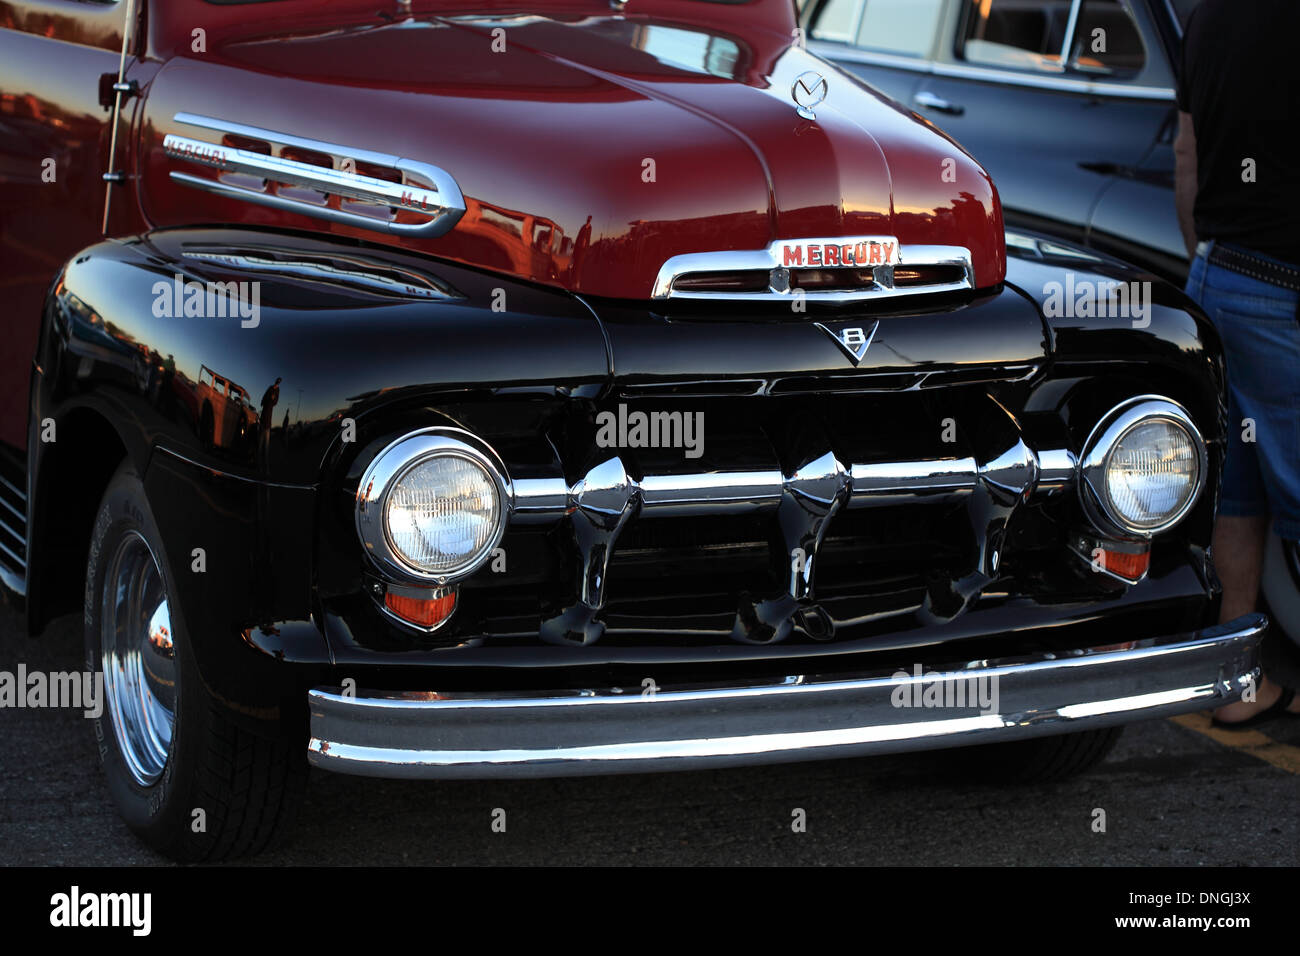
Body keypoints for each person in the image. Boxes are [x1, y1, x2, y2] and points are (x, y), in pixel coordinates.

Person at [1174, 0, 1300, 726]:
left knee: (1240, 488)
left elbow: (1186, 156)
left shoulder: (1207, 16)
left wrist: (1212, 263)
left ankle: (1235, 678)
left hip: (1222, 272)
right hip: (1287, 283)